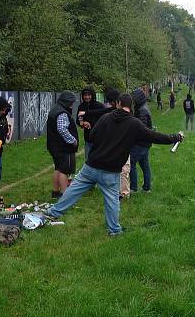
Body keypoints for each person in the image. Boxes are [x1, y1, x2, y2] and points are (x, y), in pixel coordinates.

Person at [47, 93, 183, 236]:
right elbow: (155, 137)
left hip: (91, 165)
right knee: (112, 201)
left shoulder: (106, 117)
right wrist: (175, 137)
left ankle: (52, 212)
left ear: (118, 103)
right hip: (110, 171)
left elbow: (92, 136)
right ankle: (114, 230)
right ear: (131, 106)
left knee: (73, 191)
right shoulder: (135, 124)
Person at [78, 89, 132, 200]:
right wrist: (82, 122)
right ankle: (118, 190)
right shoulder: (115, 110)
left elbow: (102, 112)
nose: (110, 104)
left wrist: (86, 113)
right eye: (85, 95)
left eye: (111, 102)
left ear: (117, 102)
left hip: (121, 143)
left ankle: (124, 193)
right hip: (111, 142)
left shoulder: (120, 111)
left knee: (124, 169)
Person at [46, 91, 79, 199]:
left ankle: (55, 192)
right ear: (67, 102)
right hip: (63, 147)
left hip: (54, 146)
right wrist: (72, 140)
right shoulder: (62, 113)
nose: (72, 105)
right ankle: (64, 195)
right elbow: (62, 129)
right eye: (71, 102)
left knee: (58, 168)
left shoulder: (54, 109)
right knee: (65, 171)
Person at [129, 88, 155, 193]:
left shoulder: (142, 110)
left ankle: (133, 187)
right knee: (144, 165)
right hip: (146, 142)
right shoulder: (143, 107)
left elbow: (141, 128)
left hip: (141, 143)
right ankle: (147, 187)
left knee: (131, 163)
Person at [77, 86, 104, 159]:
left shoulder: (99, 106)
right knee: (88, 160)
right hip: (88, 138)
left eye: (89, 95)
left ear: (92, 95)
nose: (87, 97)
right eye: (85, 95)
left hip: (99, 139)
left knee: (99, 160)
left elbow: (105, 120)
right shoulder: (81, 106)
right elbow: (78, 119)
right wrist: (83, 123)